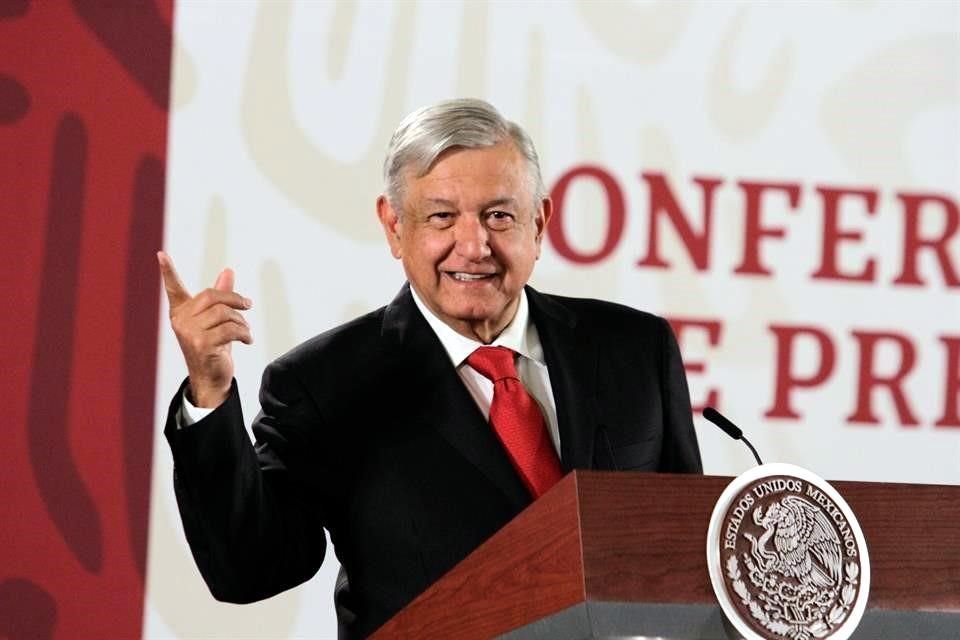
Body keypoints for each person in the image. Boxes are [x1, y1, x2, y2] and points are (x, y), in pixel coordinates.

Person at [158, 98, 702, 639]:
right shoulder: (325, 383)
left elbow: (688, 566)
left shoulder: (636, 349)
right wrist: (209, 390)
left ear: (539, 223)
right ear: (394, 227)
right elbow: (252, 569)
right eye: (442, 217)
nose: (473, 246)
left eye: (499, 216)